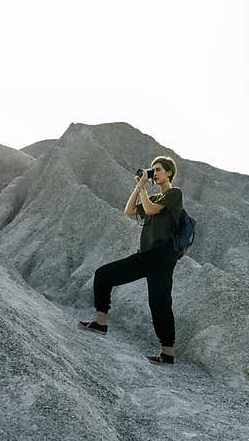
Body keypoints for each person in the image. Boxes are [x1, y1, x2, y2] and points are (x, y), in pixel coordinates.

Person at [78, 156, 184, 364]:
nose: (155, 173)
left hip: (163, 257)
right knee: (104, 275)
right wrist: (139, 186)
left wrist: (144, 189)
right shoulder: (151, 197)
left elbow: (152, 211)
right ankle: (101, 323)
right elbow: (129, 211)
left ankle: (168, 353)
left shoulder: (174, 194)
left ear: (170, 172)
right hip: (145, 254)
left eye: (159, 170)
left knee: (159, 303)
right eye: (153, 170)